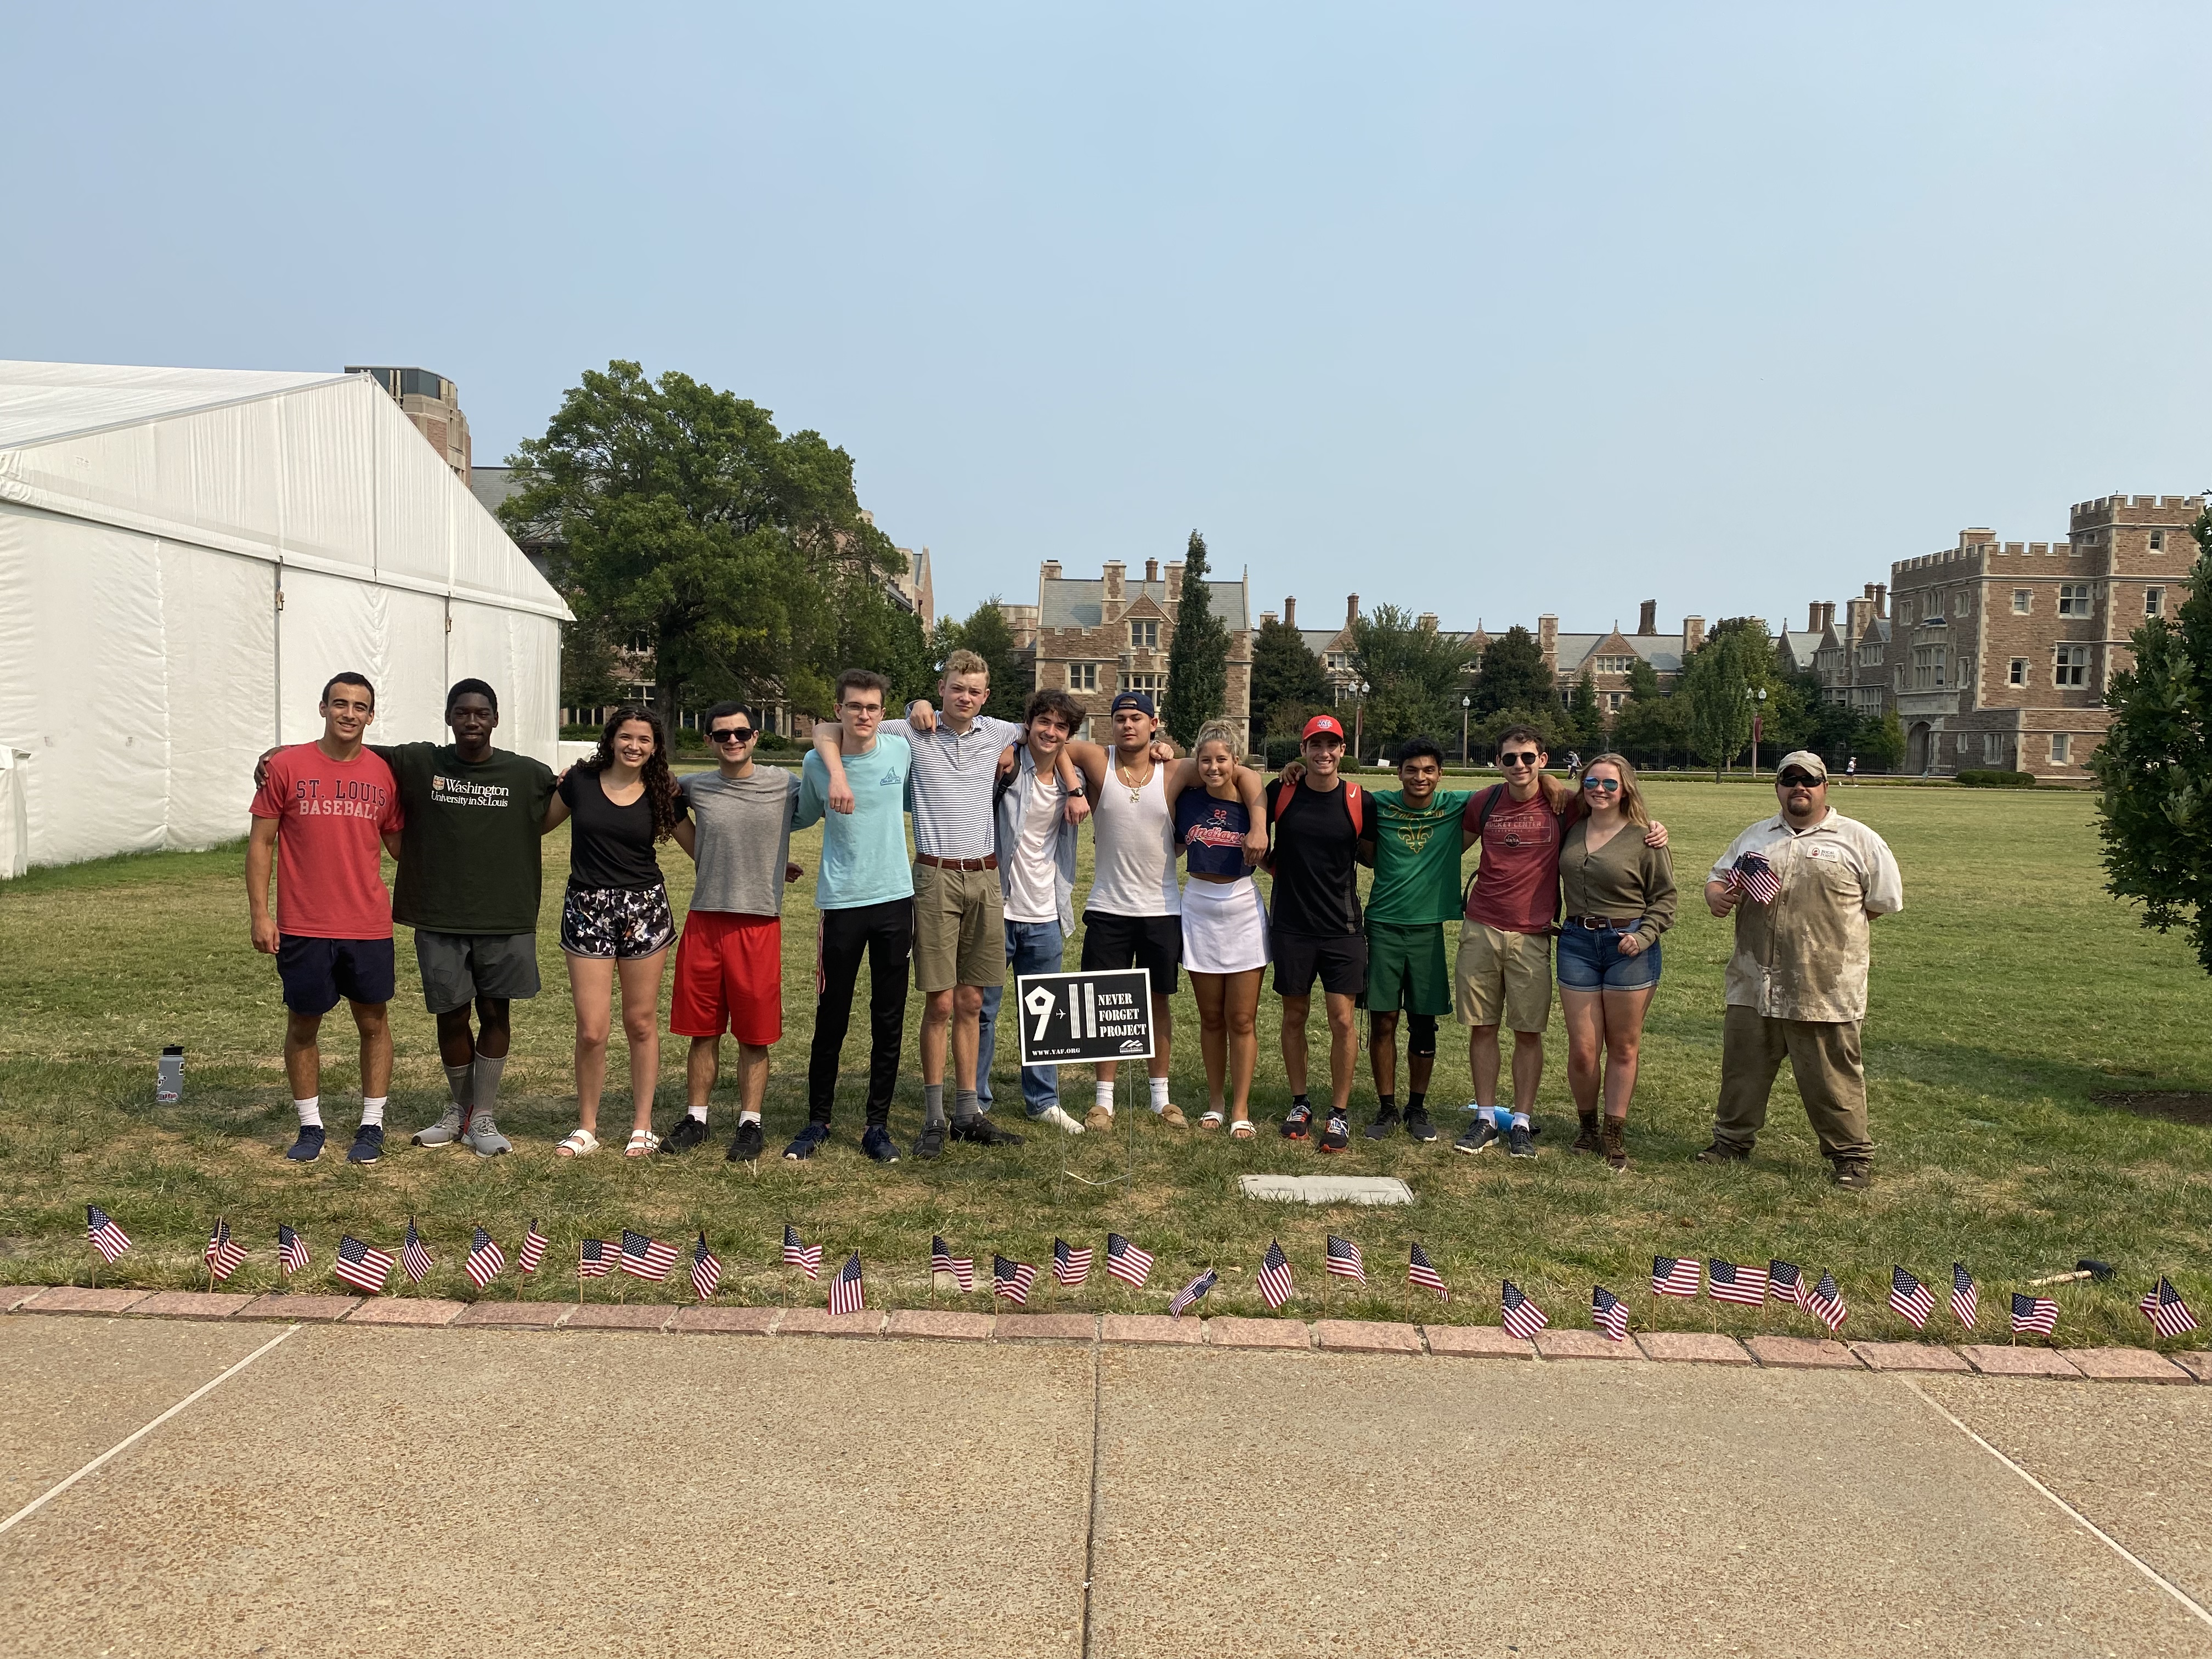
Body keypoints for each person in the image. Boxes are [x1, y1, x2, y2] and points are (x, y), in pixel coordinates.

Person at [813, 650, 1031, 1156]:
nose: (965, 697)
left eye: (974, 691)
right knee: (941, 1002)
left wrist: (1024, 754)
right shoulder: (910, 731)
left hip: (986, 876)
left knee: (973, 1002)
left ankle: (967, 1113)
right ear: (942, 688)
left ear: (986, 696)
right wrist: (912, 707)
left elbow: (1052, 735)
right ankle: (934, 1116)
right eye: (957, 688)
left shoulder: (999, 731)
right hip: (935, 876)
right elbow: (827, 729)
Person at [1453, 726, 1666, 1159]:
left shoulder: (1566, 805)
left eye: (1528, 758)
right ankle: (1486, 1118)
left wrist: (1655, 829)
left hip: (1534, 933)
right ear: (1498, 762)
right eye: (1510, 758)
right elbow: (1448, 838)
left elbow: (1615, 814)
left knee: (1528, 1031)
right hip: (1482, 926)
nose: (1519, 765)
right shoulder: (1484, 801)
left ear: (1543, 760)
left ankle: (1522, 1122)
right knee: (1483, 1027)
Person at [1056, 692, 1266, 1130]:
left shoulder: (1176, 769)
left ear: (1154, 724)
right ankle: (1103, 1101)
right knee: (1106, 1002)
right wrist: (1076, 790)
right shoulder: (1098, 760)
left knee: (1157, 1003)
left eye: (1137, 718)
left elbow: (1242, 771)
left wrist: (1260, 826)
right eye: (1120, 718)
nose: (1127, 725)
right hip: (1108, 905)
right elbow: (1056, 744)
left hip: (1162, 907)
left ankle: (1161, 1098)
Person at [1702, 750, 1901, 1190]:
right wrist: (1715, 895)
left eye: (1809, 780)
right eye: (1789, 779)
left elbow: (1880, 903)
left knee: (1832, 1078)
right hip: (1754, 981)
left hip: (1824, 987)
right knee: (1743, 1071)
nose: (1799, 787)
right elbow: (1718, 879)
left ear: (1824, 787)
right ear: (1777, 787)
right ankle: (1731, 1143)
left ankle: (1851, 1157)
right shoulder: (1755, 837)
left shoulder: (1859, 840)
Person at [380, 680, 559, 1156]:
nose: (472, 721)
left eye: (482, 713)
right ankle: (460, 1111)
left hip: (504, 916)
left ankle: (484, 1116)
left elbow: (581, 790)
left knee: (496, 1012)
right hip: (439, 913)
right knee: (452, 1014)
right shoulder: (421, 762)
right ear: (449, 717)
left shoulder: (527, 774)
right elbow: (351, 751)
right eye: (463, 713)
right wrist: (281, 755)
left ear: (496, 719)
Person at [246, 673, 405, 1164]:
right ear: (323, 708)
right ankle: (310, 1125)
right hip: (304, 924)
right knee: (303, 1024)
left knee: (373, 1023)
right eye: (340, 704)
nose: (348, 714)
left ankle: (372, 1125)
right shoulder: (286, 766)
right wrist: (260, 914)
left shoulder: (384, 774)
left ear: (371, 716)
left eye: (359, 707)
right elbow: (262, 844)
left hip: (368, 925)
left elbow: (400, 847)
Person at [662, 702, 803, 1163]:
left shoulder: (785, 784)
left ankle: (750, 1123)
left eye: (741, 733)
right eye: (722, 735)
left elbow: (832, 795)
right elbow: (656, 791)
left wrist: (773, 863)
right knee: (702, 1030)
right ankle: (697, 1119)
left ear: (755, 736)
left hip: (757, 922)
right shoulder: (696, 786)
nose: (733, 741)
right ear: (709, 741)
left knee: (753, 1034)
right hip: (705, 918)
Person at [545, 706, 682, 1159]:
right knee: (591, 1030)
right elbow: (536, 823)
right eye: (626, 736)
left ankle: (643, 1125)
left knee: (640, 1022)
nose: (634, 746)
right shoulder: (580, 782)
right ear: (611, 739)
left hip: (644, 909)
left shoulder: (663, 791)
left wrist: (771, 864)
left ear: (655, 748)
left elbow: (703, 847)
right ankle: (587, 1127)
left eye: (644, 739)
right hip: (587, 909)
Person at [790, 669, 913, 1163]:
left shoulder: (900, 751)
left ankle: (876, 1126)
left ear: (883, 713)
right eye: (855, 706)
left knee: (889, 1019)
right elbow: (800, 815)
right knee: (832, 1016)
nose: (864, 715)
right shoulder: (816, 762)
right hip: (841, 902)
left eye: (873, 707)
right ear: (838, 709)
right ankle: (818, 1120)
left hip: (895, 901)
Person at [1557, 754, 1675, 1172]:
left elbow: (1665, 898)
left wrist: (1643, 936)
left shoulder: (1646, 837)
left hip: (1629, 947)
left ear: (1625, 789)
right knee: (1583, 1050)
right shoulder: (1571, 827)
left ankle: (1614, 1133)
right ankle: (1587, 1127)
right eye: (1592, 782)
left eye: (1610, 784)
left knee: (1623, 1046)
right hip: (1576, 943)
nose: (1600, 790)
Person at [981, 689, 1091, 1135]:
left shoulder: (1074, 780)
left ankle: (1043, 1100)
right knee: (984, 1010)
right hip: (998, 907)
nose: (1051, 732)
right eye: (1043, 722)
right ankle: (976, 1100)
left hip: (1047, 914)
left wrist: (1076, 789)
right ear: (1028, 724)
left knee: (1045, 1013)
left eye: (1061, 726)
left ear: (1069, 735)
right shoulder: (1005, 764)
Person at [1266, 714, 1375, 1153]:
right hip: (1291, 926)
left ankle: (1339, 1112)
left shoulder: (1358, 799)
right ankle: (1300, 1103)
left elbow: (1371, 855)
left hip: (1342, 928)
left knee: (1342, 1020)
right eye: (1316, 745)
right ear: (1303, 749)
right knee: (1294, 1016)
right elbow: (1258, 841)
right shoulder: (1281, 791)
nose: (1324, 753)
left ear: (1343, 751)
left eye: (1332, 745)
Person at [1176, 720, 1271, 1136]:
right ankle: (1215, 1104)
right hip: (1198, 907)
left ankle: (1240, 1108)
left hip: (1241, 908)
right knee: (1211, 1017)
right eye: (1206, 760)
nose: (1213, 767)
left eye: (1222, 759)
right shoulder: (1188, 799)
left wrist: (1259, 825)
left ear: (1236, 761)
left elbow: (1255, 781)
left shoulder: (1252, 800)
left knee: (1242, 1019)